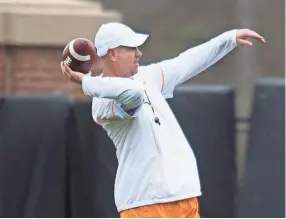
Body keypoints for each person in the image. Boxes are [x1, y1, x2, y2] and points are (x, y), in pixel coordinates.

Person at [61, 22, 265, 218]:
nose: (139, 53)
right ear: (113, 53)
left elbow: (186, 62)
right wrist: (88, 82)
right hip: (146, 203)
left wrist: (228, 39)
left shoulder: (147, 76)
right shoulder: (102, 101)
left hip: (184, 197)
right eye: (132, 48)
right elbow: (134, 95)